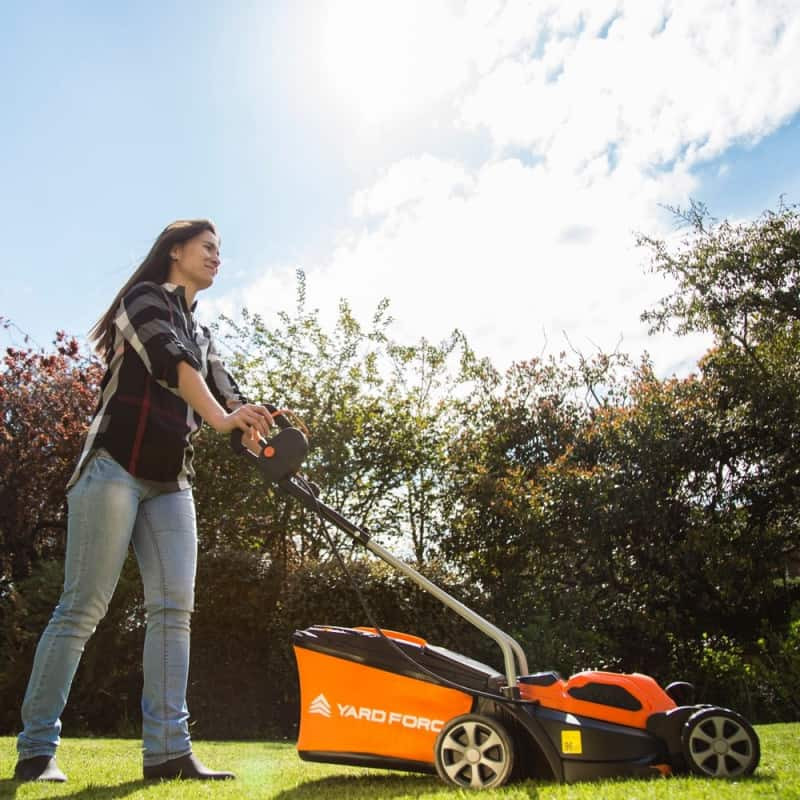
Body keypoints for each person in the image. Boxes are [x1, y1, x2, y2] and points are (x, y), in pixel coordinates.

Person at [13, 219, 273, 783]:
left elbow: (226, 392)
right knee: (83, 608)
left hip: (170, 483)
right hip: (112, 469)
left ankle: (168, 753)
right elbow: (168, 361)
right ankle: (36, 750)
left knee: (174, 612)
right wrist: (224, 416)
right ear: (175, 251)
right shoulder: (142, 300)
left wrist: (252, 423)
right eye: (207, 247)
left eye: (220, 251)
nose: (216, 257)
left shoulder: (205, 337)